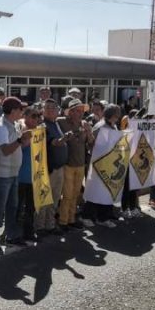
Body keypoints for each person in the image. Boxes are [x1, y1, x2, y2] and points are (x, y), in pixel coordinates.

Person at [0, 97, 31, 251]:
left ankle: (10, 236)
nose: (23, 111)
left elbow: (17, 145)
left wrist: (27, 139)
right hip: (2, 174)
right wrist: (21, 141)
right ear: (13, 111)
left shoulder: (13, 123)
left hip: (13, 173)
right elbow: (6, 150)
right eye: (21, 109)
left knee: (12, 206)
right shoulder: (0, 127)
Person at [57, 99, 94, 229]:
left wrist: (89, 132)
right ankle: (63, 221)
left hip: (80, 164)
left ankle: (71, 219)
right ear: (70, 112)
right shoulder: (61, 121)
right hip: (67, 164)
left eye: (81, 111)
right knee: (67, 195)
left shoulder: (85, 124)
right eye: (77, 111)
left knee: (76, 194)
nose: (80, 113)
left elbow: (91, 145)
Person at [34, 99, 68, 235]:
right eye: (47, 107)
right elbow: (53, 143)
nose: (50, 110)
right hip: (48, 168)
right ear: (42, 110)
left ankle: (50, 224)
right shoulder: (43, 125)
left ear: (58, 110)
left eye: (53, 108)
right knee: (44, 199)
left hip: (59, 167)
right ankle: (40, 226)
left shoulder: (56, 124)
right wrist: (64, 139)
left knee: (54, 199)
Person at [88, 104, 124, 229]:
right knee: (97, 192)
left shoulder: (112, 125)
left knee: (107, 191)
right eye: (117, 113)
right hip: (100, 164)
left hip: (109, 164)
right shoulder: (101, 126)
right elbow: (93, 145)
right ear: (113, 115)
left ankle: (106, 215)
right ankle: (99, 217)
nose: (119, 116)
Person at [16, 106, 42, 241]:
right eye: (33, 116)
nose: (36, 119)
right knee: (18, 207)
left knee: (31, 207)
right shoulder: (20, 128)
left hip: (34, 176)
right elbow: (16, 147)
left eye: (38, 116)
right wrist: (26, 139)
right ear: (25, 116)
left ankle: (29, 232)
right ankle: (15, 234)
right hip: (20, 176)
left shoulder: (39, 131)